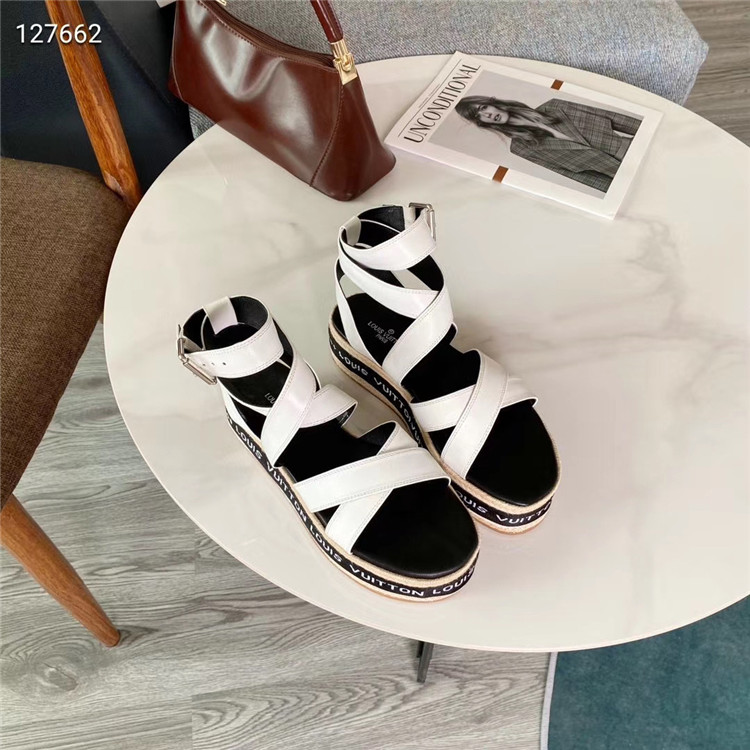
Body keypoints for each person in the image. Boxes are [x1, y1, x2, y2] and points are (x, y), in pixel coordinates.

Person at [454, 96, 642, 192]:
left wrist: (650, 132)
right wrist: (616, 191)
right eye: (479, 116)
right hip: (620, 176)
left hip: (638, 147)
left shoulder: (554, 106)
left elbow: (614, 118)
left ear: (493, 103)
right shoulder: (520, 148)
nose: (486, 114)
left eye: (483, 107)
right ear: (482, 123)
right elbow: (572, 173)